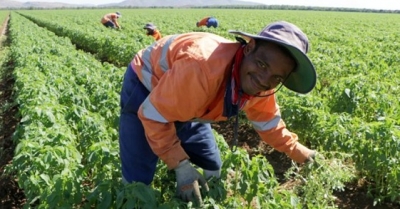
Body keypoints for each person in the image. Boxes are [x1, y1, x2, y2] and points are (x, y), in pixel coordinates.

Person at [119, 21, 318, 205]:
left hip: (191, 102)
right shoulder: (202, 68)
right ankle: (131, 199)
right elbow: (153, 115)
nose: (265, 80)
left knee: (212, 163)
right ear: (248, 48)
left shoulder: (261, 86)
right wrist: (180, 166)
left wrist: (303, 153)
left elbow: (269, 124)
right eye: (262, 64)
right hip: (147, 86)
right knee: (138, 177)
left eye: (276, 77)